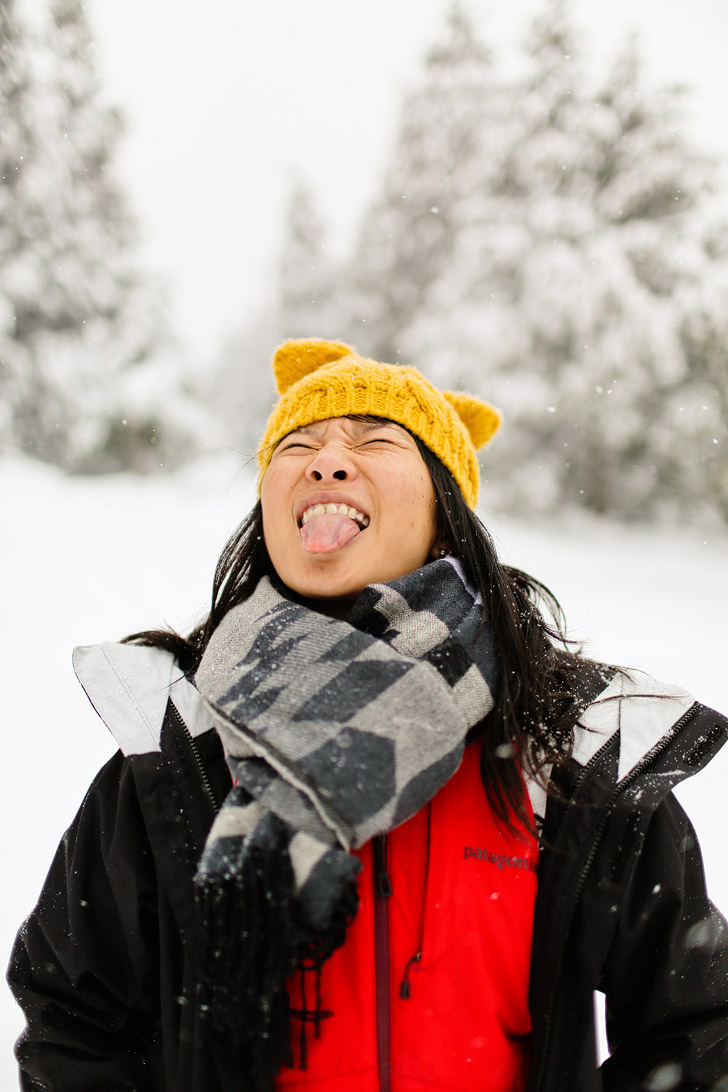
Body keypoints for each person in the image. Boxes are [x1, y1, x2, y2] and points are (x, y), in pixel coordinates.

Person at [8, 338, 728, 1092]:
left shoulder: (565, 748)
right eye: (300, 444)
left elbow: (694, 1029)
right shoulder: (186, 738)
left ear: (446, 515)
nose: (326, 461)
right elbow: (74, 1017)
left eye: (375, 440)